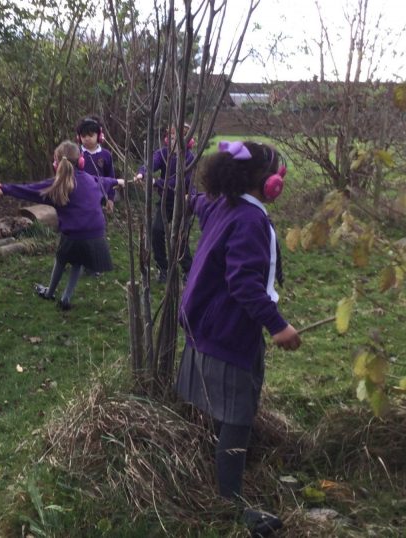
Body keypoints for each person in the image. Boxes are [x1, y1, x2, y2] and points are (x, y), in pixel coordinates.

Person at [176, 140, 300, 536]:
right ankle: (232, 502)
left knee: (226, 408)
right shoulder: (250, 221)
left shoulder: (222, 206)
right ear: (267, 184)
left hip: (207, 330)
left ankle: (219, 471)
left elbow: (198, 203)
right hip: (229, 334)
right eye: (278, 175)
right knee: (238, 417)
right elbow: (245, 284)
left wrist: (184, 195)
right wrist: (278, 325)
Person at [0, 141, 124, 310]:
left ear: (56, 164)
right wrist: (121, 181)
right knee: (78, 262)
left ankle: (50, 292)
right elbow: (108, 181)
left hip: (73, 235)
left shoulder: (55, 185)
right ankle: (65, 298)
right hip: (96, 234)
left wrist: (3, 188)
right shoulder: (92, 179)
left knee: (61, 259)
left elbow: (27, 189)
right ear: (81, 162)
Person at [134, 124, 196, 283]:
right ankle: (163, 268)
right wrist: (142, 173)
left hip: (183, 201)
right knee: (156, 231)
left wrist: (156, 182)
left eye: (180, 137)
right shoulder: (162, 154)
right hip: (166, 201)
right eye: (173, 136)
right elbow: (150, 164)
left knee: (180, 237)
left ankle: (187, 269)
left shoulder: (189, 158)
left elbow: (177, 182)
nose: (175, 140)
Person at [76, 116, 117, 210]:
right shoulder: (76, 153)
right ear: (79, 137)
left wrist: (110, 198)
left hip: (100, 199)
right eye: (83, 136)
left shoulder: (106, 155)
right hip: (80, 199)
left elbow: (111, 177)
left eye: (90, 135)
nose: (86, 138)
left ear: (99, 136)